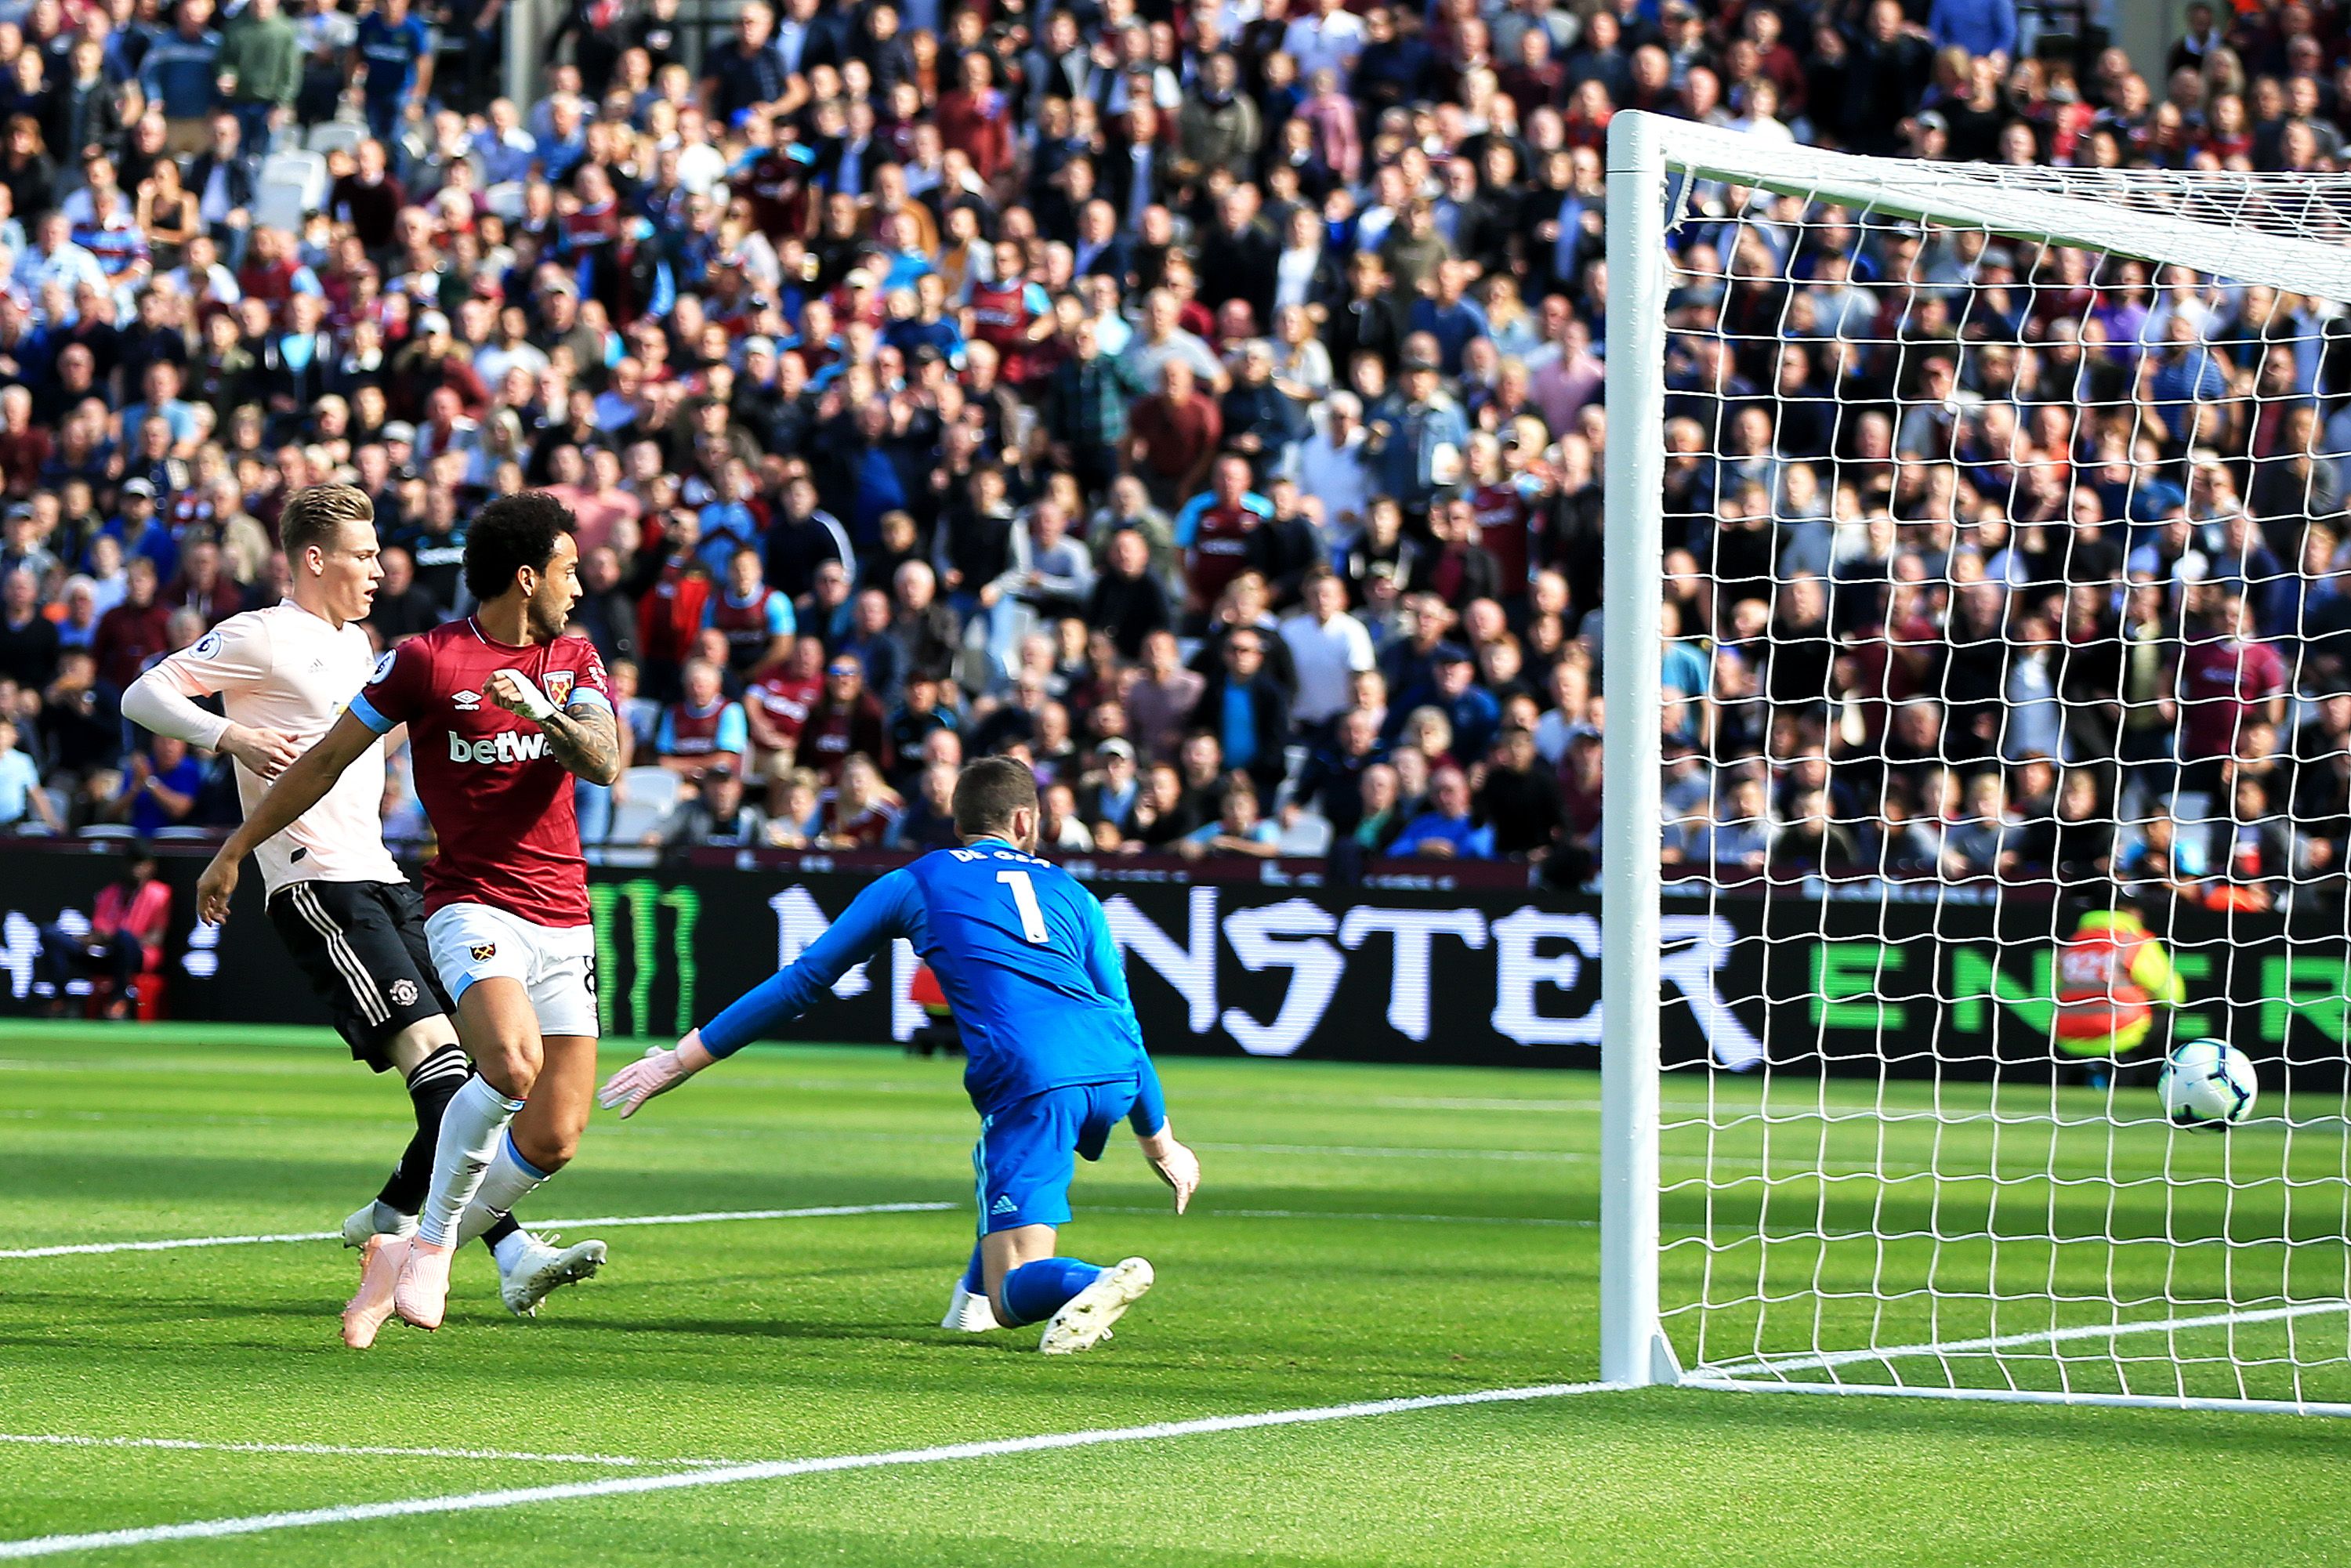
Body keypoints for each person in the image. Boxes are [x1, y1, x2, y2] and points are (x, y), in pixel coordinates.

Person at [123, 483, 600, 1316]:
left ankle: (394, 1214)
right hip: (315, 880)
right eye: (364, 554)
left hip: (382, 873)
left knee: (484, 1075)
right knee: (449, 1065)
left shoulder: (365, 647)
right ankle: (493, 1247)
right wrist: (228, 737)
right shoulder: (262, 635)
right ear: (314, 560)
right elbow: (143, 695)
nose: (380, 568)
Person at [600, 756, 1201, 1353]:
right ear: (1025, 820)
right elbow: (1125, 1018)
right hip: (1114, 1067)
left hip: (1033, 1074)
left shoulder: (917, 879)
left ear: (958, 819)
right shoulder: (1074, 892)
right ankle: (965, 1310)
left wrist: (682, 1058)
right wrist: (1161, 1143)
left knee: (1012, 1292)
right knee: (998, 1196)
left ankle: (1092, 1280)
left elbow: (804, 980)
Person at [34, 849, 171, 1018]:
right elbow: (97, 931)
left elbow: (156, 938)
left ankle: (118, 1001)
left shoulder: (160, 894)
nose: (136, 868)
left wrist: (115, 938)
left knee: (124, 938)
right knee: (50, 933)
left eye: (141, 863)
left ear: (151, 867)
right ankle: (62, 1000)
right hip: (102, 953)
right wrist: (90, 939)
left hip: (136, 956)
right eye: (132, 863)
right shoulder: (109, 893)